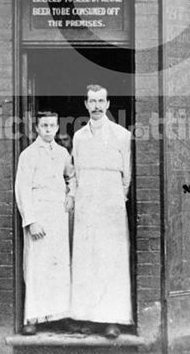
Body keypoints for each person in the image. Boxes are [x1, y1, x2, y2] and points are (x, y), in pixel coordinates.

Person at [70, 84, 133, 338]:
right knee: (87, 260)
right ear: (86, 105)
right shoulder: (79, 137)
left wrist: (117, 197)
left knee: (112, 260)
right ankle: (86, 316)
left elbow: (126, 176)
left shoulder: (121, 135)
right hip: (87, 204)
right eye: (91, 101)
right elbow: (76, 171)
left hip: (111, 204)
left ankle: (112, 319)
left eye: (101, 101)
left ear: (107, 104)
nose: (96, 106)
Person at [14, 111, 74, 334]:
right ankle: (33, 318)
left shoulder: (62, 153)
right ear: (37, 128)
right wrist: (31, 221)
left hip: (58, 216)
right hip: (38, 216)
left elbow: (72, 176)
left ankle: (60, 314)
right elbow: (22, 189)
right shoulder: (28, 155)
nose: (48, 129)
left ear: (57, 128)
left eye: (52, 126)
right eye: (44, 126)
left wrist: (71, 194)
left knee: (59, 265)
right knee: (37, 266)